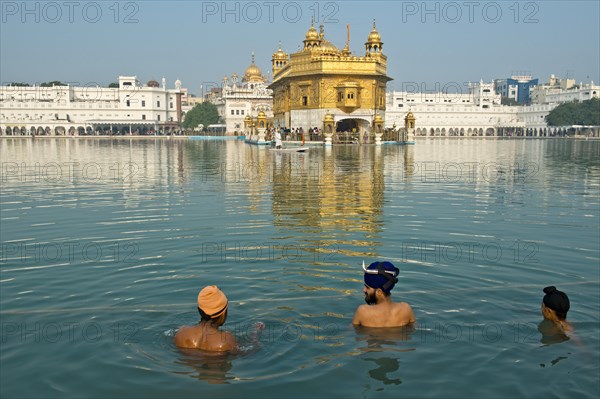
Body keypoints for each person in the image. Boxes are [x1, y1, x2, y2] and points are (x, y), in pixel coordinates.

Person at [352, 261, 416, 328]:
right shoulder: (406, 309)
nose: (364, 290)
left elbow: (351, 331)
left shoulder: (363, 311)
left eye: (367, 287)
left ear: (379, 292)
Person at [174, 285, 238, 352]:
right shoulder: (227, 340)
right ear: (223, 314)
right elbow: (243, 356)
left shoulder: (180, 333)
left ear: (199, 310)